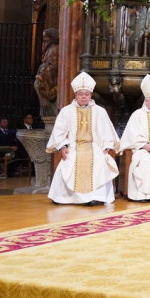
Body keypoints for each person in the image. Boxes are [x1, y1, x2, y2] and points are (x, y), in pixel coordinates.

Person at [46, 72, 119, 205]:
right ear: (76, 95)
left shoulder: (100, 111)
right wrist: (63, 147)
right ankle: (65, 197)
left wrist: (106, 147)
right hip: (73, 146)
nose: (84, 97)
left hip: (94, 146)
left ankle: (95, 197)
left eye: (86, 94)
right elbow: (59, 132)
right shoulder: (66, 111)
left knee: (99, 161)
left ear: (91, 95)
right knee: (69, 161)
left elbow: (107, 131)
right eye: (81, 94)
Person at [34, 28, 59, 118]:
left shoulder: (55, 49)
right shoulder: (49, 49)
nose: (44, 39)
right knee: (38, 86)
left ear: (51, 37)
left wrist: (42, 74)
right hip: (45, 76)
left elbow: (54, 66)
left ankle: (48, 108)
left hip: (49, 78)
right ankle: (46, 108)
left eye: (45, 37)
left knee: (39, 86)